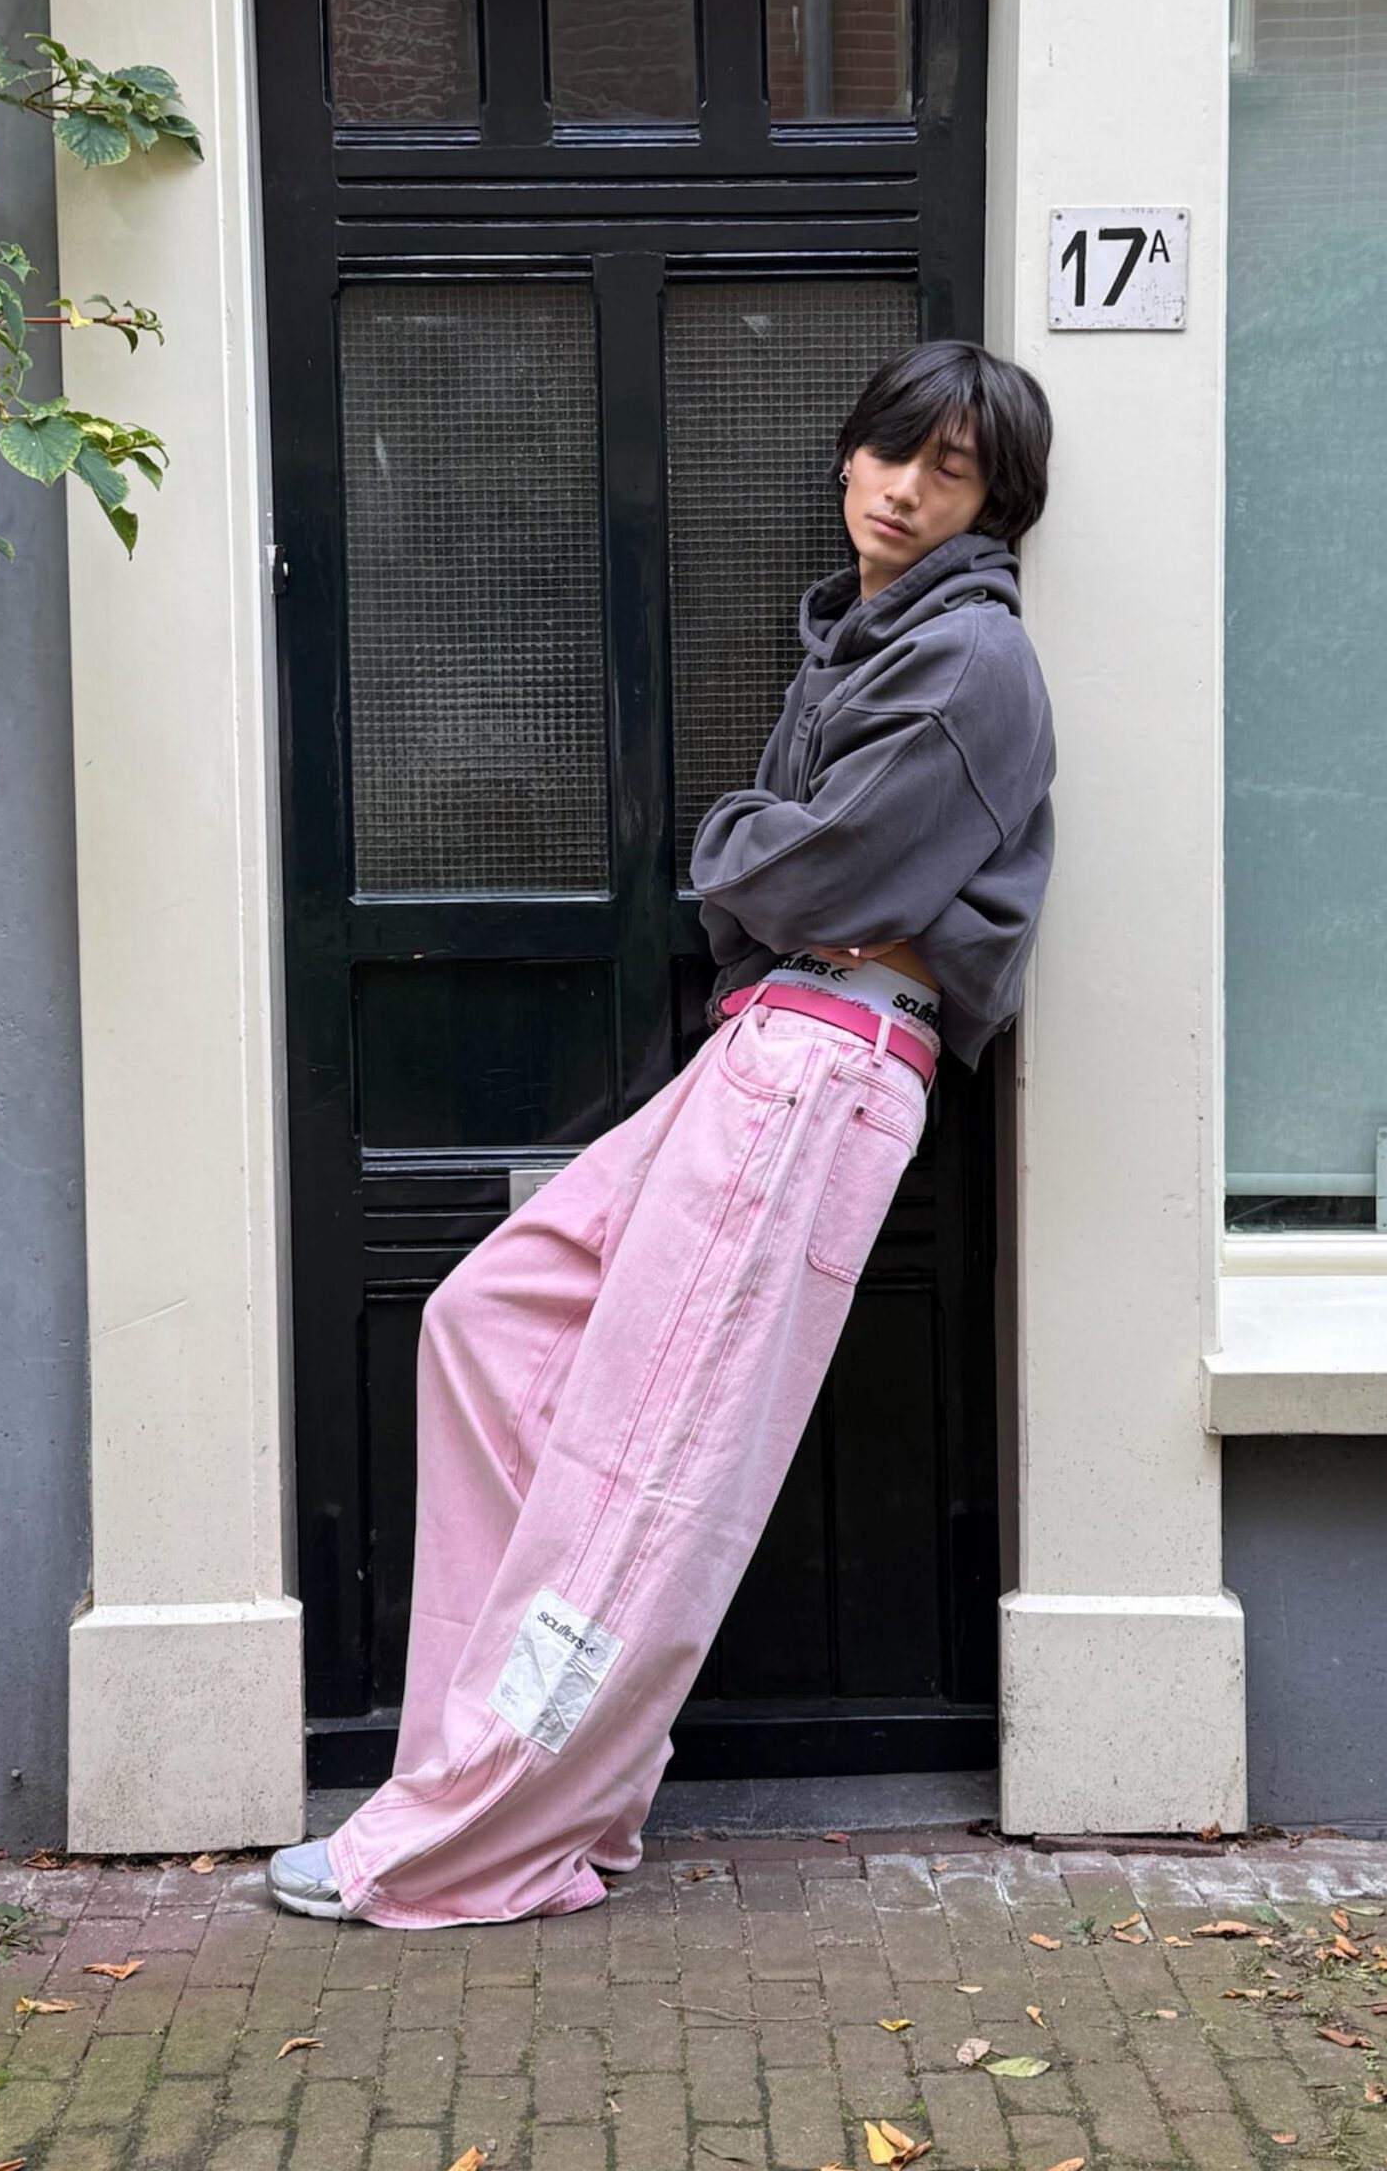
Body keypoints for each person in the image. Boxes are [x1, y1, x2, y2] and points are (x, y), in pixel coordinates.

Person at [267, 337, 1057, 1928]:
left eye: (953, 471)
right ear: (848, 454)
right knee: (488, 1323)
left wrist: (743, 845)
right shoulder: (864, 643)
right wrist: (767, 857)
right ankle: (546, 1782)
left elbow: (808, 876)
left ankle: (459, 1839)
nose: (906, 490)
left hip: (826, 1063)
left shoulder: (971, 660)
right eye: (893, 450)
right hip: (767, 1048)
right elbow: (788, 874)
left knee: (648, 1470)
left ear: (994, 508)